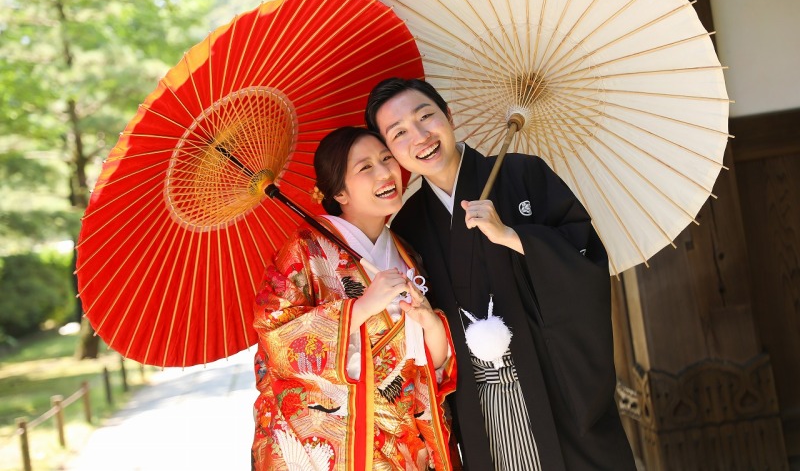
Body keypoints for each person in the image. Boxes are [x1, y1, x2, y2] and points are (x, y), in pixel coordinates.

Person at [365, 78, 636, 471]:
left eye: (426, 116)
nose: (420, 136)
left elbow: (586, 258)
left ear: (449, 116)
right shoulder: (409, 225)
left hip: (555, 386)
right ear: (390, 152)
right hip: (481, 404)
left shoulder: (523, 175)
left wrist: (514, 236)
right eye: (399, 133)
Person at [250, 126, 457, 471]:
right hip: (340, 443)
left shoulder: (408, 253)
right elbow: (275, 336)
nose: (385, 172)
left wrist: (431, 324)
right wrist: (360, 308)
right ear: (339, 193)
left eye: (387, 159)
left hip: (406, 442)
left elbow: (428, 365)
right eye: (366, 168)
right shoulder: (305, 250)